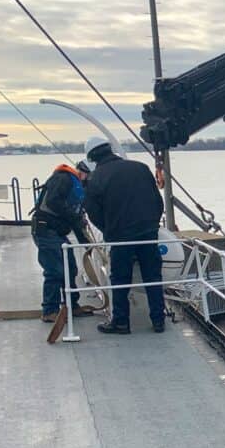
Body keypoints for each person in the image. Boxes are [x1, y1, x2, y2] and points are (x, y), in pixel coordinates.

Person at [83, 138, 166, 334]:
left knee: (120, 279)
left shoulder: (96, 178)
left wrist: (109, 230)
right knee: (153, 277)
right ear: (110, 149)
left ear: (93, 157)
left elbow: (93, 213)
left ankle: (121, 322)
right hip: (148, 234)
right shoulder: (140, 168)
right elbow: (157, 201)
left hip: (120, 237)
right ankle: (159, 320)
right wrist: (152, 225)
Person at [31, 159, 95, 322]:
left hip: (58, 232)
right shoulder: (63, 179)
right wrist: (75, 217)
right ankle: (49, 310)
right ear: (84, 173)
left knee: (70, 268)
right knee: (55, 270)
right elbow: (53, 201)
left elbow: (76, 220)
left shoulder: (78, 187)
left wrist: (86, 244)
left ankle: (72, 306)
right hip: (45, 229)